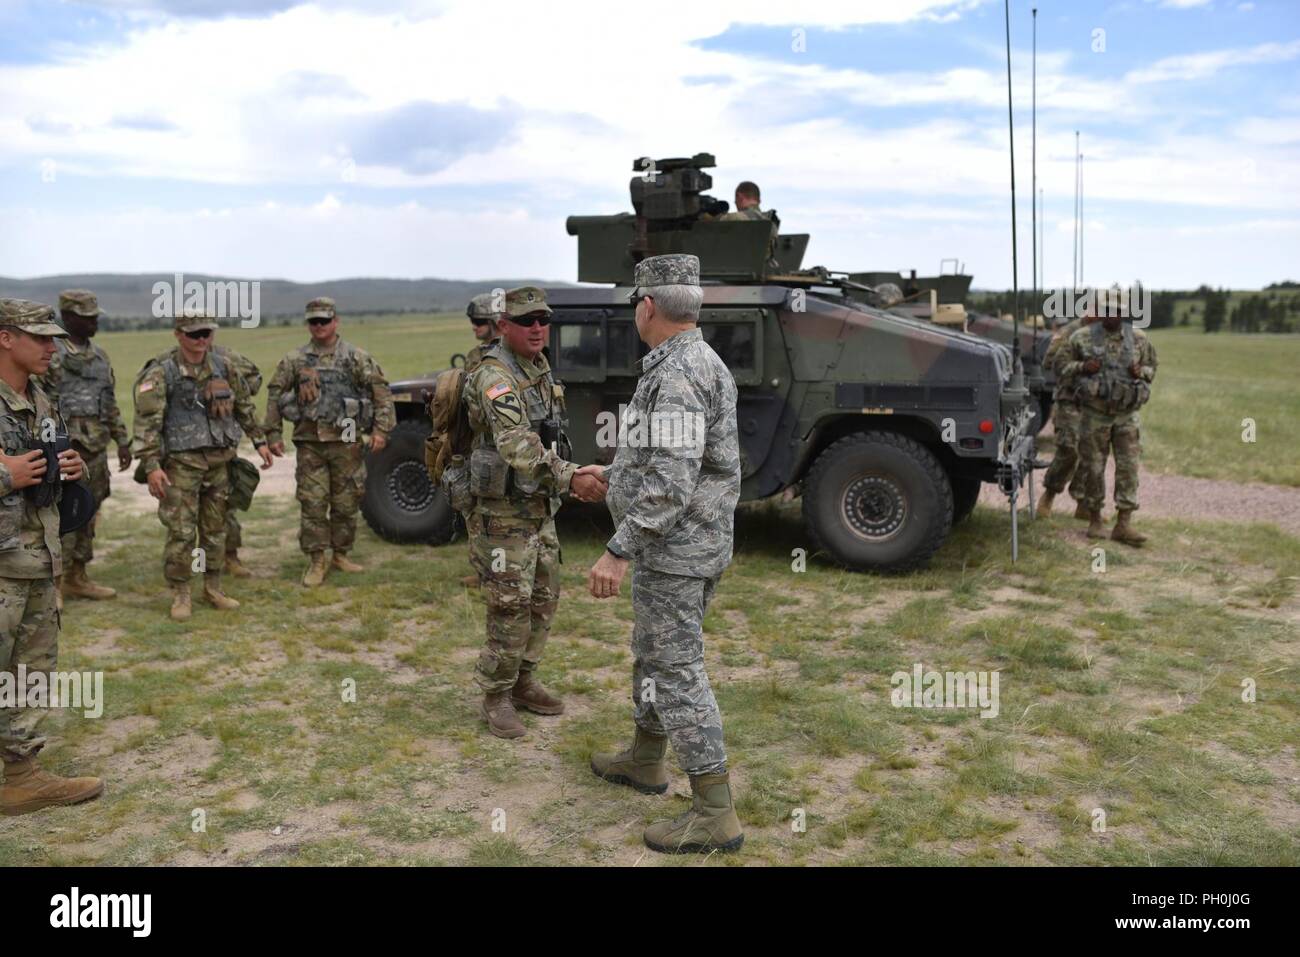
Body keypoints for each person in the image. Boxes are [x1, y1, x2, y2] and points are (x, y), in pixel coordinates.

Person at [587, 253, 744, 855]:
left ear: (647, 306)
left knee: (676, 667)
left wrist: (618, 549)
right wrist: (617, 471)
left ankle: (714, 812)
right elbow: (672, 460)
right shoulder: (692, 362)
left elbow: (674, 481)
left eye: (635, 302)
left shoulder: (678, 373)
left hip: (674, 549)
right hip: (684, 544)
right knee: (653, 653)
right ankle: (646, 758)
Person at [461, 285, 606, 739]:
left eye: (543, 318)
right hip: (502, 514)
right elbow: (517, 445)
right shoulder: (495, 377)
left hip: (536, 507)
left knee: (544, 597)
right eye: (527, 321)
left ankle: (523, 681)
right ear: (504, 326)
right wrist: (570, 477)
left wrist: (563, 481)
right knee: (510, 605)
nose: (538, 327)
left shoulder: (537, 367)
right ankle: (496, 694)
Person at [0, 298, 102, 816]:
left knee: (29, 674)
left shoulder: (41, 397)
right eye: (39, 337)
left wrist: (70, 468)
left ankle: (21, 777)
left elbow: (43, 469)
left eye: (53, 337)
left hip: (36, 559)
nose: (51, 346)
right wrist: (6, 475)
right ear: (5, 337)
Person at [133, 312, 273, 620]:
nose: (201, 340)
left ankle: (213, 587)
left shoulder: (224, 366)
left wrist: (259, 440)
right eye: (194, 334)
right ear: (178, 334)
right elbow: (147, 424)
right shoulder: (162, 372)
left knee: (215, 529)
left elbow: (245, 406)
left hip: (219, 462)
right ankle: (181, 592)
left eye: (206, 333)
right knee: (182, 532)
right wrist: (153, 465)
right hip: (181, 466)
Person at [264, 297, 395, 587]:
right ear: (308, 324)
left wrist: (381, 431)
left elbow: (380, 392)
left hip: (347, 442)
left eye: (324, 320)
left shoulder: (355, 357)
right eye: (314, 321)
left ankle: (340, 553)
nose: (319, 326)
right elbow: (275, 393)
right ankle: (316, 559)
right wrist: (272, 433)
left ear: (336, 321)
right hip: (311, 442)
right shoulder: (295, 360)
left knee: (347, 501)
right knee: (312, 502)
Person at [39, 289, 131, 601]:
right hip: (61, 447)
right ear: (67, 317)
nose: (94, 322)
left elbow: (109, 402)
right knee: (58, 512)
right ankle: (55, 583)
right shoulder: (50, 355)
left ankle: (78, 575)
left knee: (88, 510)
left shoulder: (100, 357)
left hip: (94, 447)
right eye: (86, 317)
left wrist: (121, 440)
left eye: (95, 317)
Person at [1060, 301, 1158, 545]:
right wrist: (1084, 366)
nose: (1111, 316)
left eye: (1117, 312)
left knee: (1129, 467)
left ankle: (1123, 524)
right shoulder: (1081, 338)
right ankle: (1094, 518)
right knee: (1094, 467)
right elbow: (1060, 367)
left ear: (1124, 314)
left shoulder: (1139, 338)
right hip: (1095, 415)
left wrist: (1141, 372)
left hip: (1127, 416)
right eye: (1107, 311)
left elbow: (1151, 368)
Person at [1035, 310, 1095, 519]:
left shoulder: (1107, 333)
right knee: (1069, 448)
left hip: (1094, 402)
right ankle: (1049, 494)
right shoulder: (1071, 331)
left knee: (1090, 453)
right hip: (1069, 399)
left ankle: (1083, 503)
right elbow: (1049, 362)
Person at [212, 341, 263, 578]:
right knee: (188, 517)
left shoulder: (227, 358)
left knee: (226, 507)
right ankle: (196, 565)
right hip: (185, 454)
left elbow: (253, 381)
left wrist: (229, 393)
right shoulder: (168, 363)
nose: (201, 338)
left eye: (205, 331)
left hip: (223, 447)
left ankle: (230, 557)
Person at [464, 291, 503, 373]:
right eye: (472, 321)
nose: (474, 327)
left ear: (494, 322)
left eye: (479, 322)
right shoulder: (475, 354)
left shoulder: (514, 350)